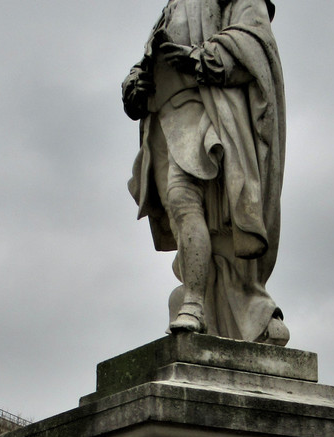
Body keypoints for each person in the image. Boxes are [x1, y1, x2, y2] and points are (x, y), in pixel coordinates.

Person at [123, 0, 288, 345]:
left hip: (208, 114)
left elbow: (256, 43)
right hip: (167, 122)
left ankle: (196, 304)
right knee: (182, 210)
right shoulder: (172, 7)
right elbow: (148, 59)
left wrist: (199, 57)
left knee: (184, 200)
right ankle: (202, 302)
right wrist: (136, 82)